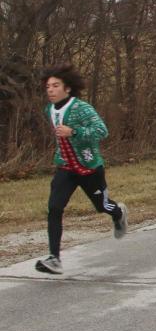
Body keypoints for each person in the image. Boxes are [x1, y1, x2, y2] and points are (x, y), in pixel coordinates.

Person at [36, 64, 128, 275]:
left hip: (89, 168)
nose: (50, 90)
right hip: (65, 167)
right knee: (54, 208)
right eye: (48, 86)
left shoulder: (82, 108)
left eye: (55, 85)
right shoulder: (49, 109)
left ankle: (118, 213)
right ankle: (54, 259)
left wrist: (74, 131)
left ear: (67, 89)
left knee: (103, 205)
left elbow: (101, 131)